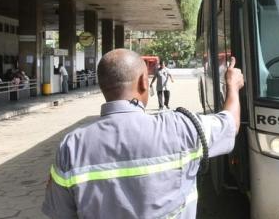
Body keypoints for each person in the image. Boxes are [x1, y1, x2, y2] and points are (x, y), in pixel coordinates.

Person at [42, 49, 243, 219]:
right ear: (143, 83)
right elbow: (230, 125)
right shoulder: (181, 127)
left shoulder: (72, 145)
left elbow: (60, 213)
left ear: (103, 85)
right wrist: (232, 87)